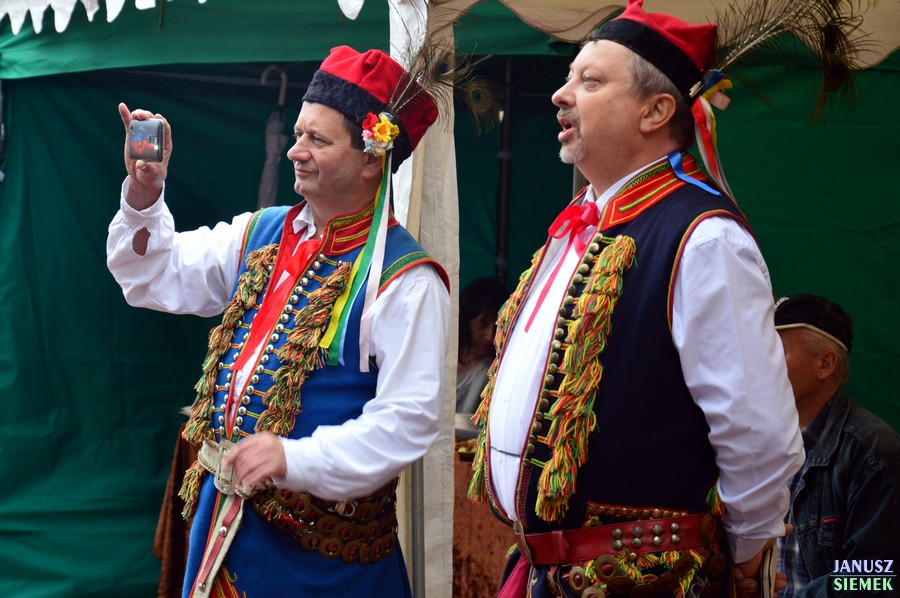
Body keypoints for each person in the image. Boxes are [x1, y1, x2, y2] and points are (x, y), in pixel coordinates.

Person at [466, 2, 806, 596]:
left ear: (656, 111)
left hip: (641, 579)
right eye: (569, 77)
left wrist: (749, 550)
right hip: (546, 570)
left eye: (591, 81)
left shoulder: (704, 237)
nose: (561, 95)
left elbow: (757, 433)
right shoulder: (580, 223)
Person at [107, 46, 450, 597]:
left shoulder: (406, 279)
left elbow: (409, 421)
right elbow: (153, 275)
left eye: (318, 140)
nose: (295, 151)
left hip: (324, 568)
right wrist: (145, 194)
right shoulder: (262, 232)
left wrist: (295, 458)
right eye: (298, 134)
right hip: (226, 536)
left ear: (372, 159)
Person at [773, 294, 900, 597]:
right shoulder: (758, 440)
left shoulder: (873, 452)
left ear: (826, 364)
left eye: (778, 350)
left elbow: (876, 578)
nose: (764, 363)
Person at [456, 276, 506, 414]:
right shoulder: (440, 359)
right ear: (465, 320)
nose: (490, 336)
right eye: (482, 323)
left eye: (497, 328)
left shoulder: (490, 372)